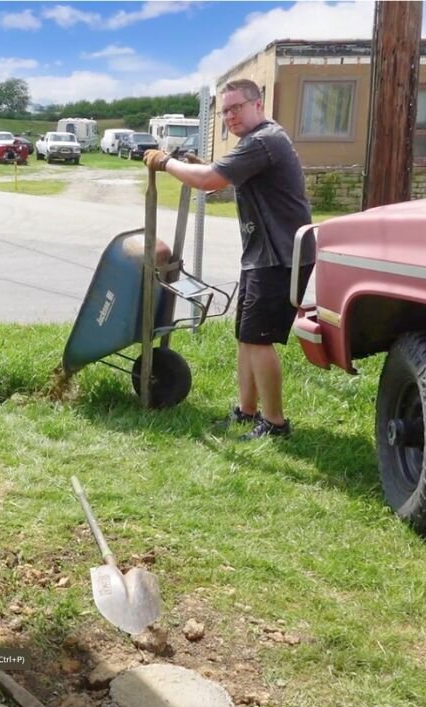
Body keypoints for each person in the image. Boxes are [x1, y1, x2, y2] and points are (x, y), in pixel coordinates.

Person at [143, 79, 314, 440]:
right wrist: (203, 166)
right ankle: (247, 411)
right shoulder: (256, 145)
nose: (230, 116)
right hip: (262, 254)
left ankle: (275, 423)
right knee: (246, 336)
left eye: (236, 107)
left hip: (280, 257)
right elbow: (223, 178)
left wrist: (166, 162)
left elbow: (208, 182)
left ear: (258, 105)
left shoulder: (264, 140)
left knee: (259, 339)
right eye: (225, 111)